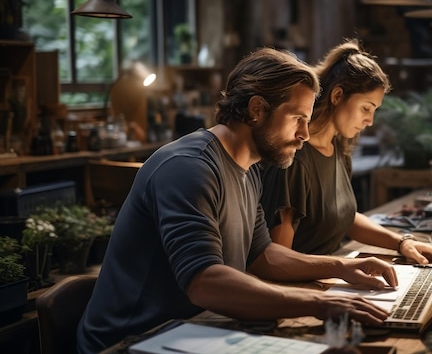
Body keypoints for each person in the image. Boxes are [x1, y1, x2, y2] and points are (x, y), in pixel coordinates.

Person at [76, 47, 398, 354]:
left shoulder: (249, 169)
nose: (304, 134)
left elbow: (265, 255)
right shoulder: (190, 168)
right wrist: (317, 303)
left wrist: (343, 267)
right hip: (130, 342)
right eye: (297, 118)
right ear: (257, 109)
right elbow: (205, 282)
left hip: (191, 333)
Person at [260, 39, 432, 265]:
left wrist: (403, 243)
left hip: (332, 275)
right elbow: (279, 261)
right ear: (337, 95)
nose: (370, 121)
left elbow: (345, 218)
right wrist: (346, 269)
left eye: (374, 111)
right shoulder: (295, 160)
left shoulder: (338, 150)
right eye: (366, 108)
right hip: (305, 287)